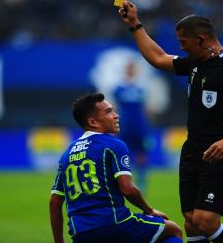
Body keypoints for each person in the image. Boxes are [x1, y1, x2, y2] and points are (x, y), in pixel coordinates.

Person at [118, 1, 223, 242]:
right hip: (193, 150)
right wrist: (135, 24)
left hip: (221, 153)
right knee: (191, 221)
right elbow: (158, 57)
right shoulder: (196, 63)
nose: (181, 48)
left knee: (206, 221)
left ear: (202, 40)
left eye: (184, 42)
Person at [49, 93, 182, 243]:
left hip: (80, 232)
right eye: (108, 112)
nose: (116, 115)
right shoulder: (112, 144)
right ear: (93, 121)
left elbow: (55, 202)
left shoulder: (67, 154)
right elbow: (128, 189)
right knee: (173, 229)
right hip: (114, 223)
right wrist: (149, 210)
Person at [113, 61, 152, 194]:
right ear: (126, 70)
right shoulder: (119, 88)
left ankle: (142, 182)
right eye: (129, 68)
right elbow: (116, 107)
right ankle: (126, 182)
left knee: (141, 153)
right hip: (125, 125)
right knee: (124, 153)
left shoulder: (141, 87)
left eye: (132, 68)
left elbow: (145, 108)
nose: (131, 71)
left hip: (139, 125)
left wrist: (147, 125)